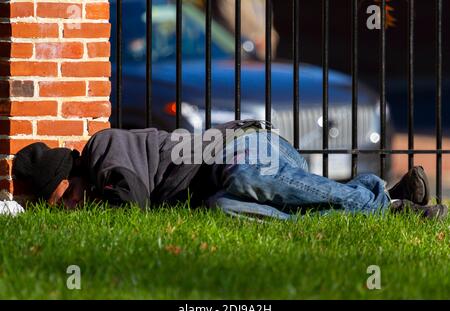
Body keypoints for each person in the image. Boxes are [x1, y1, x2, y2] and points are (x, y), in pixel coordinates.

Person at [12, 120, 447, 220]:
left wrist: (94, 208)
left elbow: (132, 199)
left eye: (66, 198)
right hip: (211, 187)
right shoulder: (95, 180)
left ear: (68, 174)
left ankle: (373, 193)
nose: (74, 207)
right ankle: (392, 204)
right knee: (225, 209)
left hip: (239, 146)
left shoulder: (102, 148)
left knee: (244, 179)